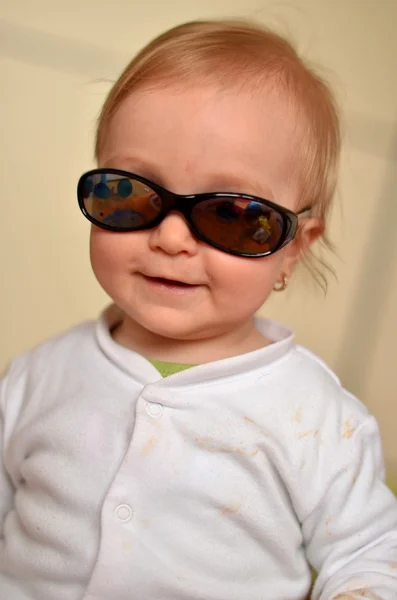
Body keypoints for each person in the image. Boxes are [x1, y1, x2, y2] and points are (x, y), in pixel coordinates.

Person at [1, 18, 396, 600]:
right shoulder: (39, 377)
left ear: (292, 249)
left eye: (231, 214)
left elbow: (368, 554)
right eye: (132, 193)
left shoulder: (317, 421)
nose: (171, 238)